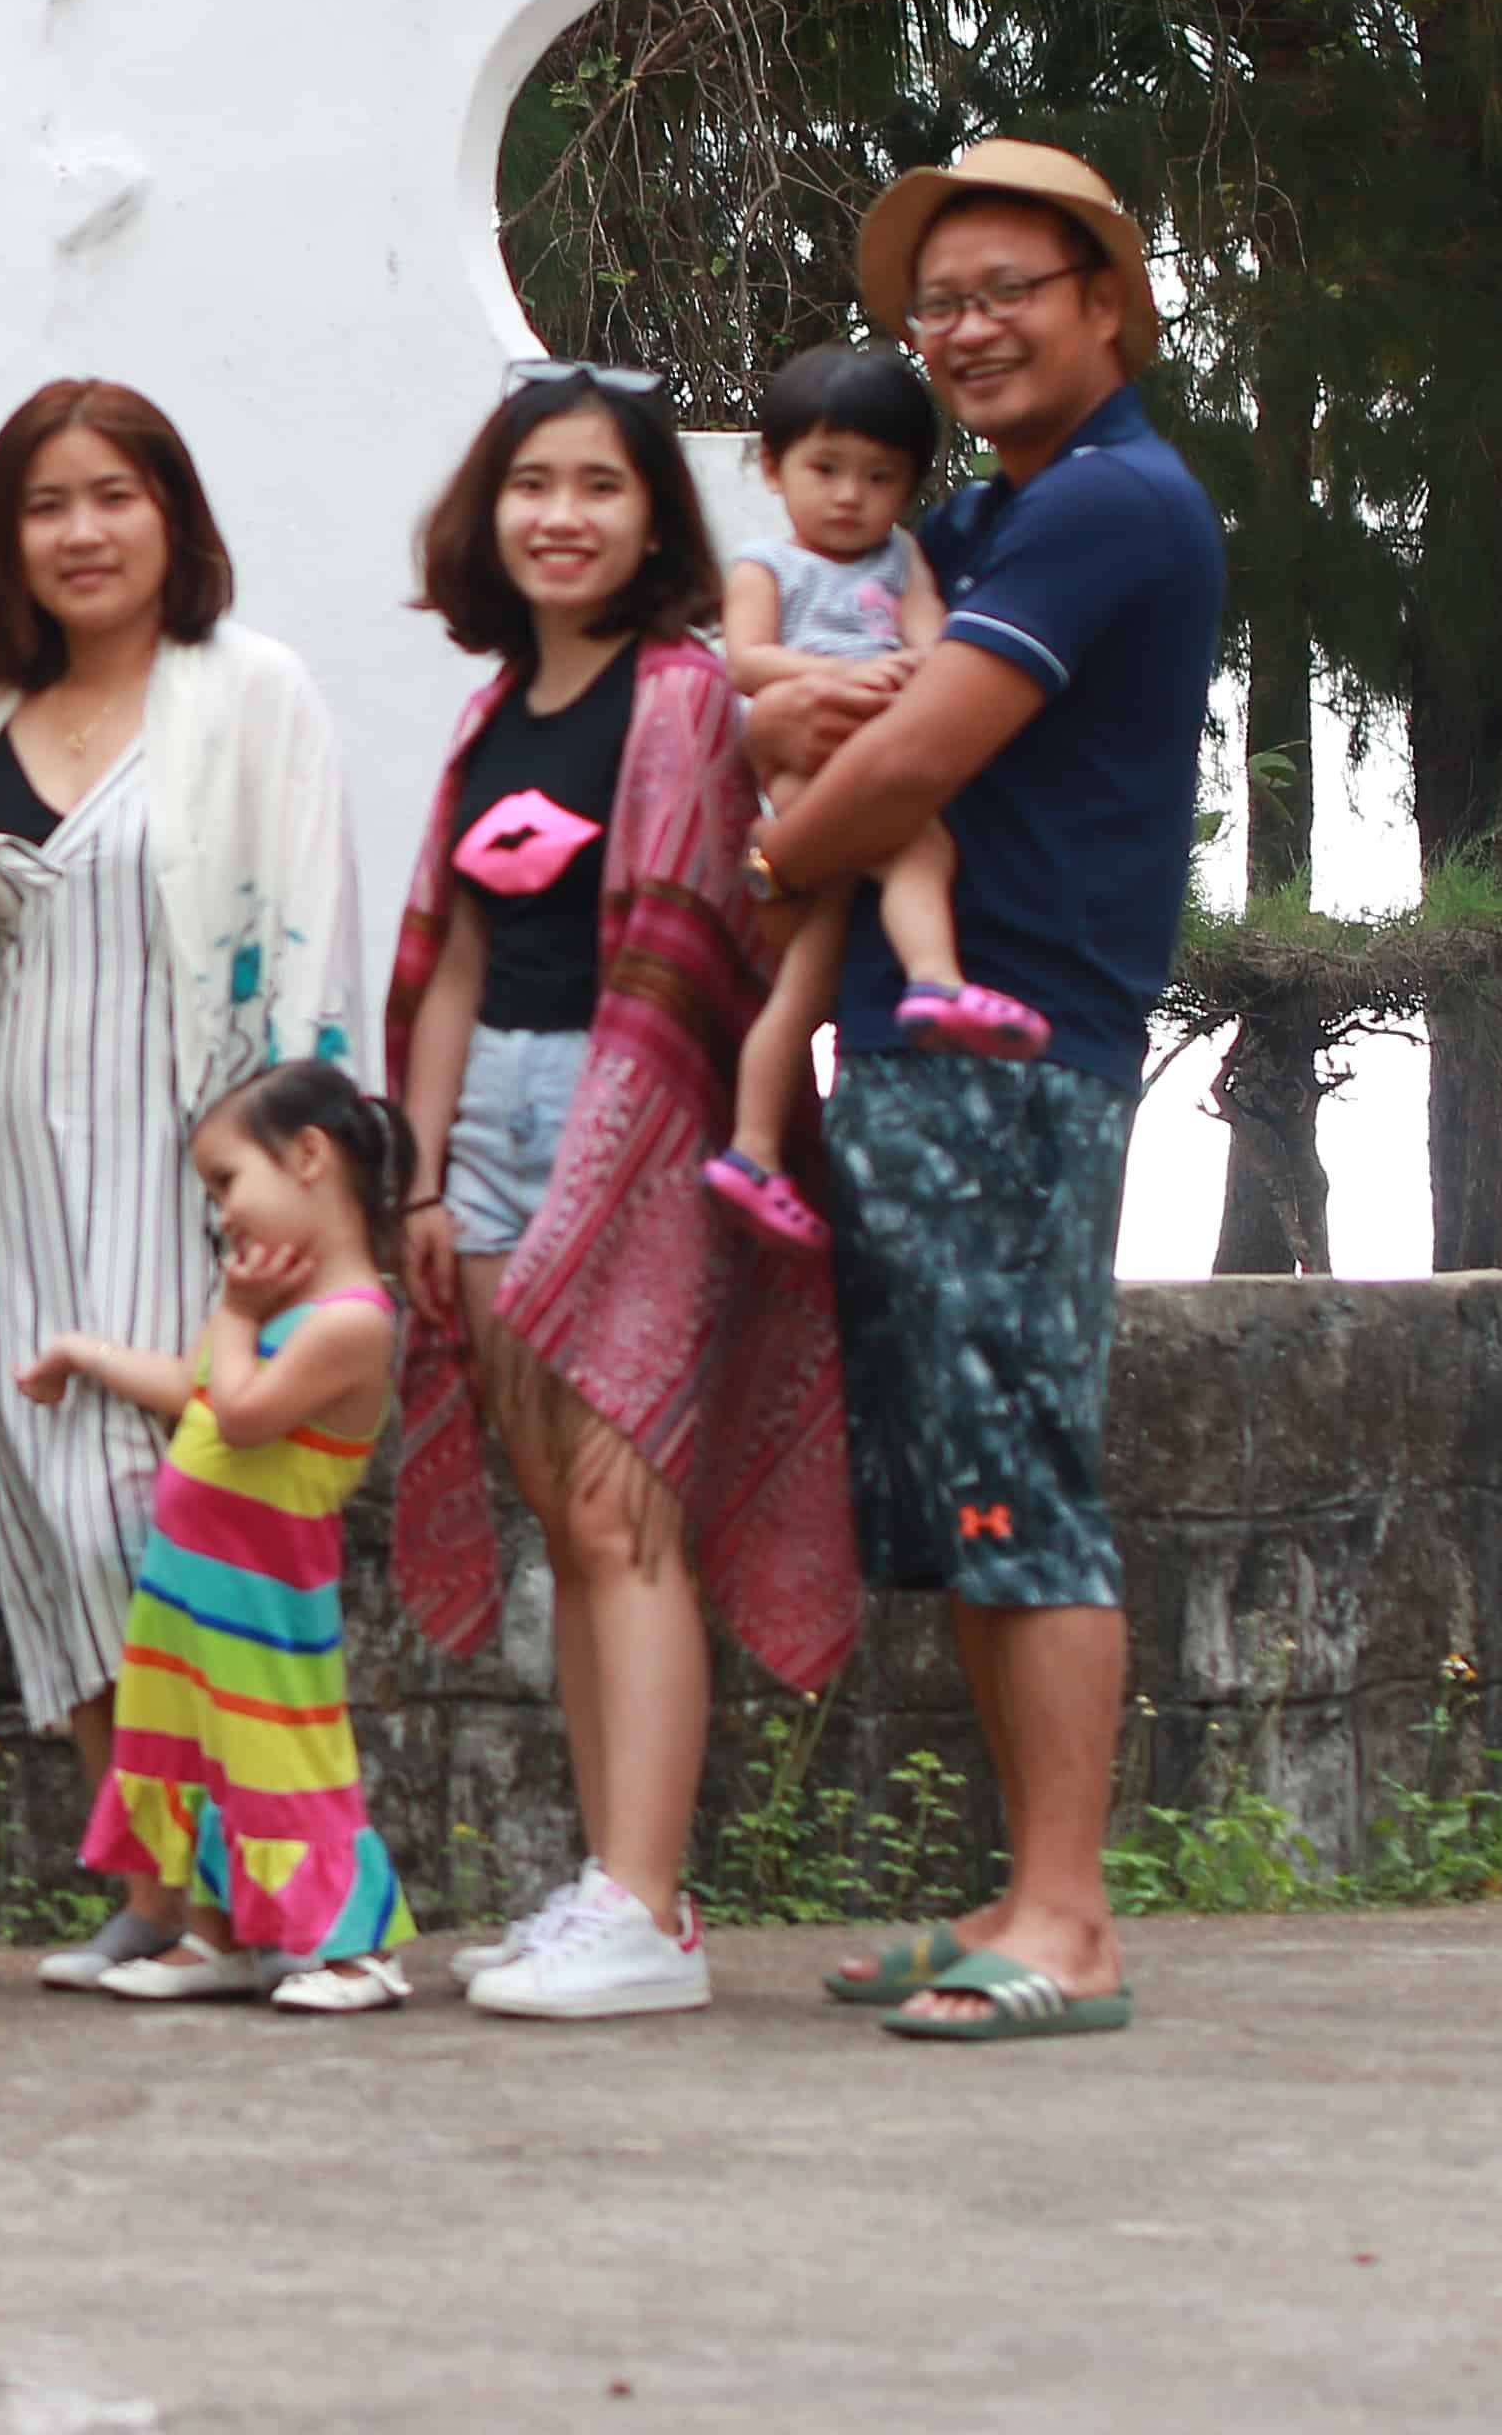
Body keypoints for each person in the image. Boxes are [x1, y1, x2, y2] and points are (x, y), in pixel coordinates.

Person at [753, 144, 1221, 2043]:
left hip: (1013, 1058)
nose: (965, 329)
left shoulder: (1108, 503)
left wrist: (767, 861)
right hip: (927, 1049)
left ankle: (1070, 1918)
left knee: (1020, 1474)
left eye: (1005, 289)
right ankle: (1020, 1891)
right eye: (936, 304)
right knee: (972, 1488)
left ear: (1105, 300)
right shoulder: (982, 516)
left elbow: (908, 762)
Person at [0, 379, 364, 1996]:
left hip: (193, 1171)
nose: (81, 531)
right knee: (53, 1532)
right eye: (45, 504)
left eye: (113, 496)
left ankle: (251, 1904)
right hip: (4, 1180)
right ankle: (161, 1893)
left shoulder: (251, 692)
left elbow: (311, 936)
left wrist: (300, 1195)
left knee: (168, 1521)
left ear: (172, 514)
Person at [377, 362, 856, 2023]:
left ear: (654, 516)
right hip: (490, 1132)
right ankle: (613, 1885)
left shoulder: (684, 698)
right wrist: (419, 1174)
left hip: (640, 1119)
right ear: (488, 512)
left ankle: (646, 1904)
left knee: (617, 1515)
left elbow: (736, 923)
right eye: (533, 483)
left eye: (599, 484)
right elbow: (447, 961)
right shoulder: (487, 714)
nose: (560, 514)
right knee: (561, 1528)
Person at [18, 1059, 421, 2015]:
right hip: (193, 1592)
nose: (221, 1214)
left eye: (227, 1182)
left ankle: (357, 1951)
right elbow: (195, 1386)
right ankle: (222, 1932)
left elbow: (239, 1414)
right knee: (204, 1757)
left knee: (285, 1764)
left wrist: (236, 1314)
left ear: (310, 1157)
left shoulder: (351, 1320)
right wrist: (84, 1355)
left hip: (261, 1597)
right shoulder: (272, 1313)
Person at [702, 344, 1039, 1252]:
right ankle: (935, 981)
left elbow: (935, 642)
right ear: (773, 468)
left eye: (879, 476)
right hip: (809, 770)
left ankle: (752, 1152)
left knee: (809, 980)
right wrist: (833, 677)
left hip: (874, 756)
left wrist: (916, 668)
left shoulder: (902, 560)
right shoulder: (766, 565)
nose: (850, 496)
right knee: (923, 850)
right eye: (826, 469)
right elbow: (747, 661)